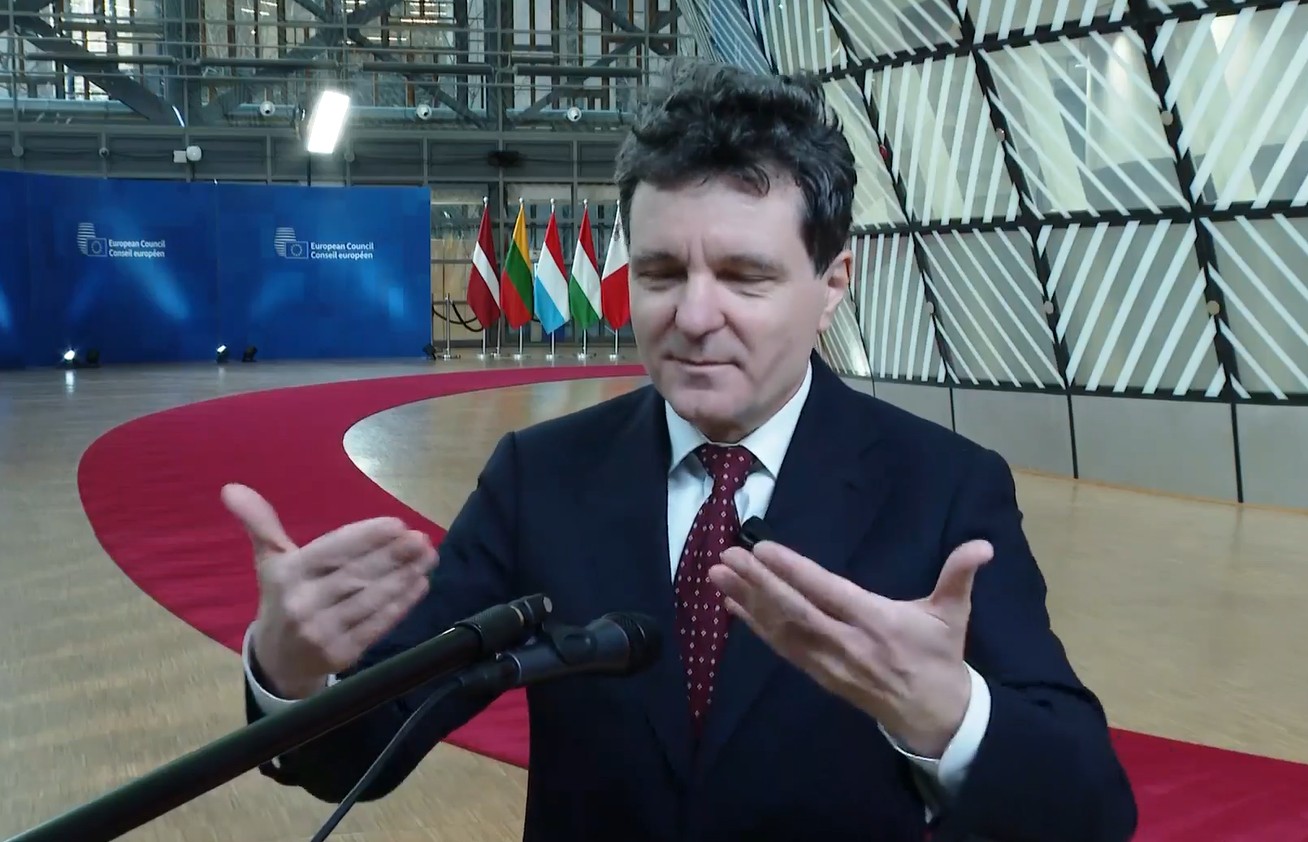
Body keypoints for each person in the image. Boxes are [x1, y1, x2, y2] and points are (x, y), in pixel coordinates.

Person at [226, 59, 1138, 841]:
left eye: (744, 276)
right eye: (662, 273)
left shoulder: (944, 490)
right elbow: (368, 748)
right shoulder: (540, 478)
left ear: (833, 284)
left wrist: (950, 717)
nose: (694, 316)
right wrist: (292, 672)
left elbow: (1091, 809)